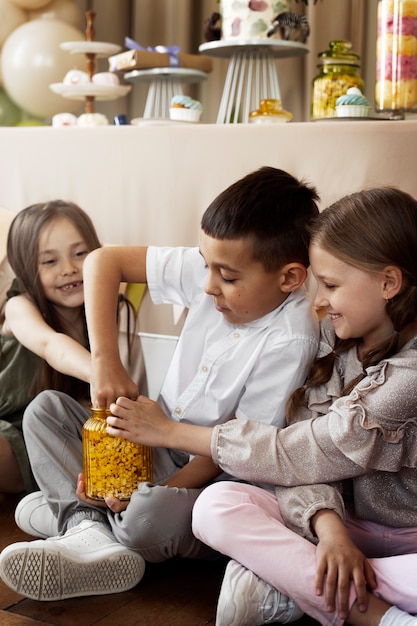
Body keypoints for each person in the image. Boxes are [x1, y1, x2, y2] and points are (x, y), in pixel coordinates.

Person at [63, 187, 417, 626]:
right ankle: (297, 580)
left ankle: (353, 607)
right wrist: (330, 531)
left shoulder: (406, 376)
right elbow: (302, 466)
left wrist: (169, 435)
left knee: (196, 504)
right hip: (343, 529)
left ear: (388, 283)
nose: (316, 301)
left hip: (410, 545)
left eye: (328, 285)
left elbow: (296, 451)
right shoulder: (338, 345)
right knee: (219, 506)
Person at [0, 166, 320, 601]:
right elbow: (103, 260)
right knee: (45, 411)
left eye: (226, 278)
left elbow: (235, 452)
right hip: (153, 445)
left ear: (288, 278)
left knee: (147, 517)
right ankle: (90, 529)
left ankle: (82, 526)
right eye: (206, 267)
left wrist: (144, 492)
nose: (207, 286)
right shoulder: (215, 266)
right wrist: (105, 360)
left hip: (209, 475)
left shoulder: (292, 336)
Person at [0, 200, 144, 497]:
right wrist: (103, 371)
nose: (69, 269)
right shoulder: (19, 307)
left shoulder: (108, 310)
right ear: (27, 269)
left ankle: (76, 505)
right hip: (8, 430)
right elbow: (51, 345)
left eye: (80, 254)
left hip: (61, 433)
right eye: (50, 261)